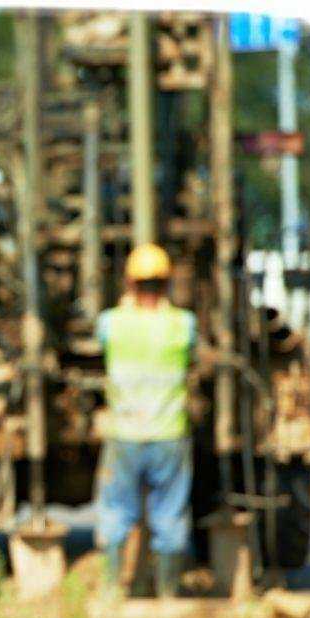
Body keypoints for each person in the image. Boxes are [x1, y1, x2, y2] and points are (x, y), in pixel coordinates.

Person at [94, 243, 197, 598]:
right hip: (169, 434)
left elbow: (100, 338)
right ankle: (168, 591)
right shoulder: (183, 324)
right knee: (169, 514)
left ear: (129, 282)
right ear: (167, 283)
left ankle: (112, 589)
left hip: (124, 434)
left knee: (116, 510)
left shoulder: (112, 322)